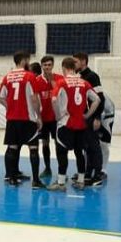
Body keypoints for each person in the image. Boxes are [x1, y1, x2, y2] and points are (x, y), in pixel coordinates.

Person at [47, 57, 100, 191]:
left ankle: (61, 183)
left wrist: (58, 115)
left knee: (62, 152)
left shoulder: (62, 82)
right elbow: (97, 100)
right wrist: (87, 115)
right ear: (74, 68)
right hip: (81, 124)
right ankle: (81, 181)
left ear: (64, 68)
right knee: (79, 152)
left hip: (66, 123)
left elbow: (54, 100)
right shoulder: (83, 82)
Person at [0, 51, 44, 189]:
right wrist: (38, 116)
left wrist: (10, 107)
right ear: (24, 60)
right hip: (27, 118)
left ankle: (12, 178)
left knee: (12, 147)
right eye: (28, 60)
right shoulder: (30, 76)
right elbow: (34, 99)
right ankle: (36, 181)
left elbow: (1, 98)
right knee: (33, 148)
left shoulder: (7, 77)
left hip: (12, 119)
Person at [73, 52, 106, 186]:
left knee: (94, 145)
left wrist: (97, 117)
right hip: (85, 117)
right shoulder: (80, 77)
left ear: (83, 61)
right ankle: (88, 172)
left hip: (92, 117)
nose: (74, 64)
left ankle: (97, 174)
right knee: (86, 146)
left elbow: (100, 98)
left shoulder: (92, 76)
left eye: (75, 62)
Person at [33, 56, 65, 180]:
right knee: (45, 144)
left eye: (49, 65)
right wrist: (37, 117)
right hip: (43, 119)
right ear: (41, 66)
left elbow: (63, 95)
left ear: (52, 66)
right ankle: (47, 168)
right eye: (45, 65)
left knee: (59, 144)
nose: (47, 67)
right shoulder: (36, 80)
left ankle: (61, 172)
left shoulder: (59, 79)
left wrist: (52, 82)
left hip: (57, 118)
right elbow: (34, 99)